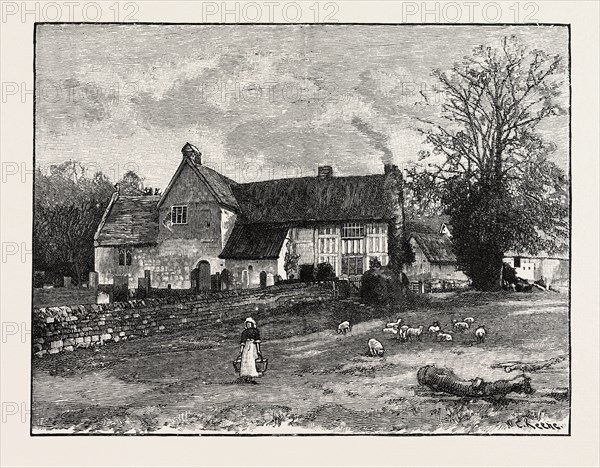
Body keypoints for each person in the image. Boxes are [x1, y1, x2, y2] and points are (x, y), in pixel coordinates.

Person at [238, 317, 262, 383]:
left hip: (252, 346)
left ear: (252, 324)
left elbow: (257, 341)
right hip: (246, 347)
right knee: (245, 360)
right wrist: (241, 350)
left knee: (251, 359)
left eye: (249, 324)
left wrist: (258, 350)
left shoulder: (255, 331)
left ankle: (252, 374)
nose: (248, 325)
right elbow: (242, 343)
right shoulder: (244, 332)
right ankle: (245, 375)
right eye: (247, 324)